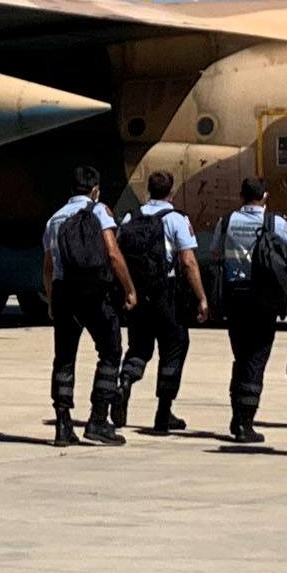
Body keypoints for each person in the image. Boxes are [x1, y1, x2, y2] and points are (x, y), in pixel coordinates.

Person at [40, 167, 135, 447]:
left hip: (63, 291)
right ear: (94, 189)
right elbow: (112, 253)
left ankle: (62, 423)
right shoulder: (100, 211)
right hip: (93, 292)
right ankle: (98, 420)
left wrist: (49, 298)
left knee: (64, 357)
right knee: (110, 351)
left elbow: (48, 265)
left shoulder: (55, 218)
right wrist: (129, 288)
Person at [114, 170, 207, 434]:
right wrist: (201, 297)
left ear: (148, 191)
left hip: (137, 292)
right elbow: (188, 261)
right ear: (171, 192)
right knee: (174, 348)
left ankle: (125, 382)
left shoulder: (132, 216)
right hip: (165, 294)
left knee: (139, 348)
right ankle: (163, 413)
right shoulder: (176, 219)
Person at [212, 177, 287, 443]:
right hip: (263, 298)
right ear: (265, 196)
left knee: (241, 356)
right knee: (256, 358)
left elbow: (215, 254)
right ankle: (245, 422)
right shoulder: (275, 223)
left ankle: (237, 416)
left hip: (235, 296)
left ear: (241, 195)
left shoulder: (226, 222)